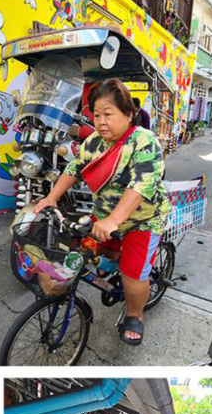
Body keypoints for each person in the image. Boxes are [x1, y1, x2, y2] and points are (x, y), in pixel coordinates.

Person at [34, 78, 170, 345]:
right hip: (106, 216)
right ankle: (113, 260)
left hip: (143, 220)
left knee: (132, 274)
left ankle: (135, 313)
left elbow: (140, 185)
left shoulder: (144, 141)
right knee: (88, 251)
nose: (101, 121)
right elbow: (74, 169)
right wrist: (51, 197)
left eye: (108, 114)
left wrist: (115, 220)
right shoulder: (94, 143)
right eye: (96, 115)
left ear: (128, 114)